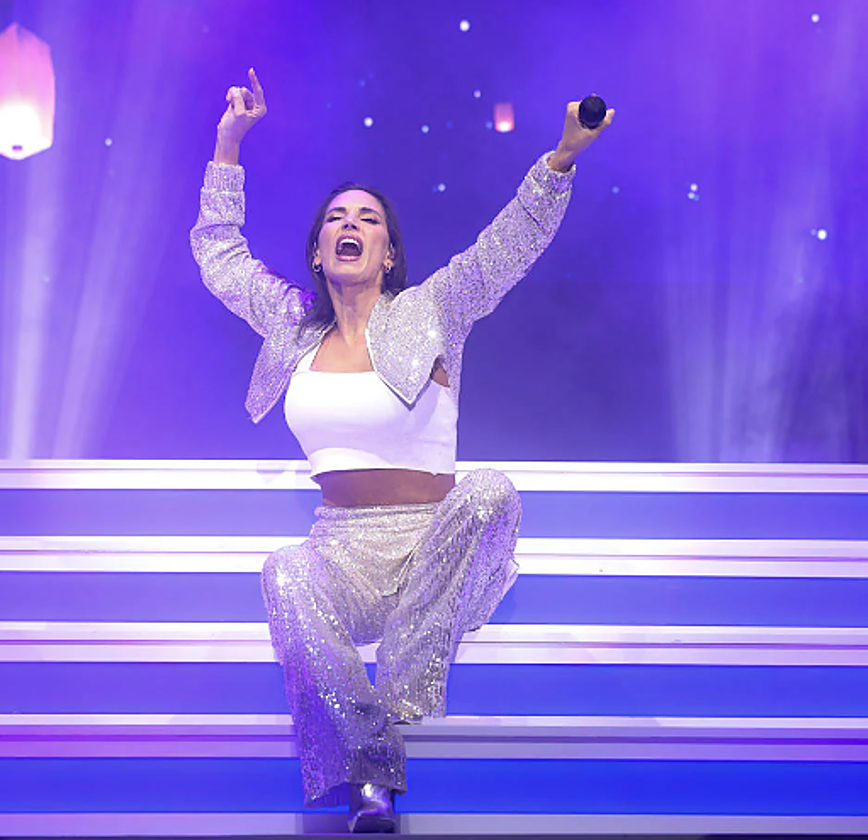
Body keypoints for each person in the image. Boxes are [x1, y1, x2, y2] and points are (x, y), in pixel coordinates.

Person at [190, 68, 611, 832]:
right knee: (282, 570)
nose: (352, 223)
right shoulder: (293, 326)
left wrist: (560, 159)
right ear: (319, 250)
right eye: (338, 217)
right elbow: (220, 257)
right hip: (342, 556)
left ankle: (385, 711)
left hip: (435, 550)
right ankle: (370, 777)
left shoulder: (431, 310)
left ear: (387, 251)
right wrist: (228, 142)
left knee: (489, 491)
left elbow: (503, 247)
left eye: (370, 218)